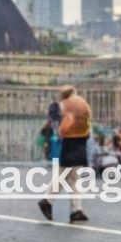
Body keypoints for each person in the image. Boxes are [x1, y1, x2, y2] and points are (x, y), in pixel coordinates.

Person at [39, 84, 92, 224]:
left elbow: (57, 125)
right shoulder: (80, 104)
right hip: (77, 143)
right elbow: (86, 126)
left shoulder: (61, 106)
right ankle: (72, 209)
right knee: (71, 177)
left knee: (70, 177)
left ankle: (73, 209)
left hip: (68, 143)